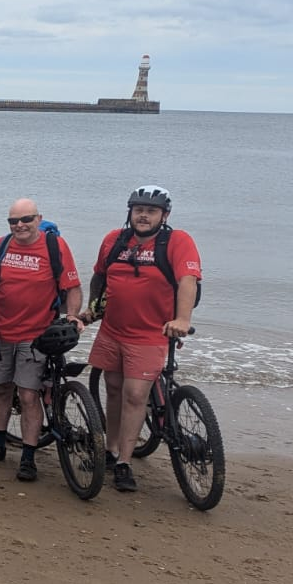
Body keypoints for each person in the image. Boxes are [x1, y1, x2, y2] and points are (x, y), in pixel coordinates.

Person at [87, 185, 201, 493]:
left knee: (135, 395)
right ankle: (111, 451)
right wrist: (93, 307)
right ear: (130, 212)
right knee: (113, 389)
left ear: (164, 215)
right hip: (112, 330)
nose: (143, 215)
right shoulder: (114, 240)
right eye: (138, 209)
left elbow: (188, 280)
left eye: (150, 211)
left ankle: (124, 462)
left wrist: (182, 320)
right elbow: (99, 275)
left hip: (150, 334)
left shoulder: (177, 241)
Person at [0, 198, 84, 482]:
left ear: (38, 219)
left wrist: (72, 316)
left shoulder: (55, 247)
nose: (19, 225)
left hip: (37, 336)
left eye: (26, 219)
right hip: (0, 332)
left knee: (28, 395)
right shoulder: (0, 246)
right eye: (13, 221)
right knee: (1, 389)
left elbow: (72, 287)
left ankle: (28, 457)